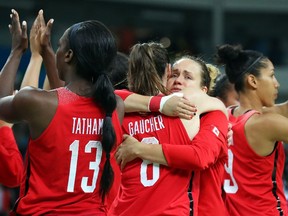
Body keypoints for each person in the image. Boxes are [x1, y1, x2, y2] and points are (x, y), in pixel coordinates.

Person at [0, 9, 124, 215]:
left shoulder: (36, 101)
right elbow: (68, 101)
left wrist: (17, 51)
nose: (56, 51)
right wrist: (47, 51)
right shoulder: (114, 106)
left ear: (68, 55)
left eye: (59, 46)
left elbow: (2, 107)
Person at [110, 47, 228, 216]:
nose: (178, 80)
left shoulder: (211, 115)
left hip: (204, 209)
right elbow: (113, 98)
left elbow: (200, 157)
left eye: (188, 77)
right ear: (165, 75)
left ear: (204, 91)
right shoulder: (145, 108)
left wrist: (139, 149)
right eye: (174, 74)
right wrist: (160, 104)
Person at [215, 44, 288, 216]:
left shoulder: (224, 115)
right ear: (252, 81)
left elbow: (279, 110)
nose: (277, 84)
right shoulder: (266, 123)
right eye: (271, 75)